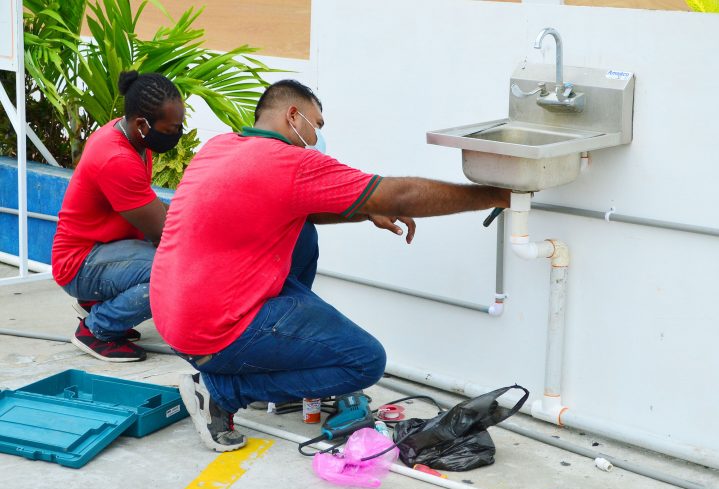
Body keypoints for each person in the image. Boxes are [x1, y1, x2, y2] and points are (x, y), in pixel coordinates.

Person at [149, 79, 509, 452]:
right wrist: (496, 194)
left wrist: (367, 211)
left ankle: (263, 364)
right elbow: (399, 193)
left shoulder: (220, 146)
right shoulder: (290, 162)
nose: (317, 136)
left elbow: (303, 208)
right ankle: (222, 390)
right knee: (364, 362)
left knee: (302, 234)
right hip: (211, 333)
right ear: (293, 116)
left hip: (173, 315)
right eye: (316, 125)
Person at [52, 71, 184, 362]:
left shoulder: (130, 137)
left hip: (100, 249)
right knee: (174, 270)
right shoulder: (117, 158)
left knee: (173, 256)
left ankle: (97, 303)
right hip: (80, 262)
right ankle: (98, 328)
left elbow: (151, 208)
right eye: (172, 128)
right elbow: (163, 233)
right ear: (142, 124)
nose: (177, 133)